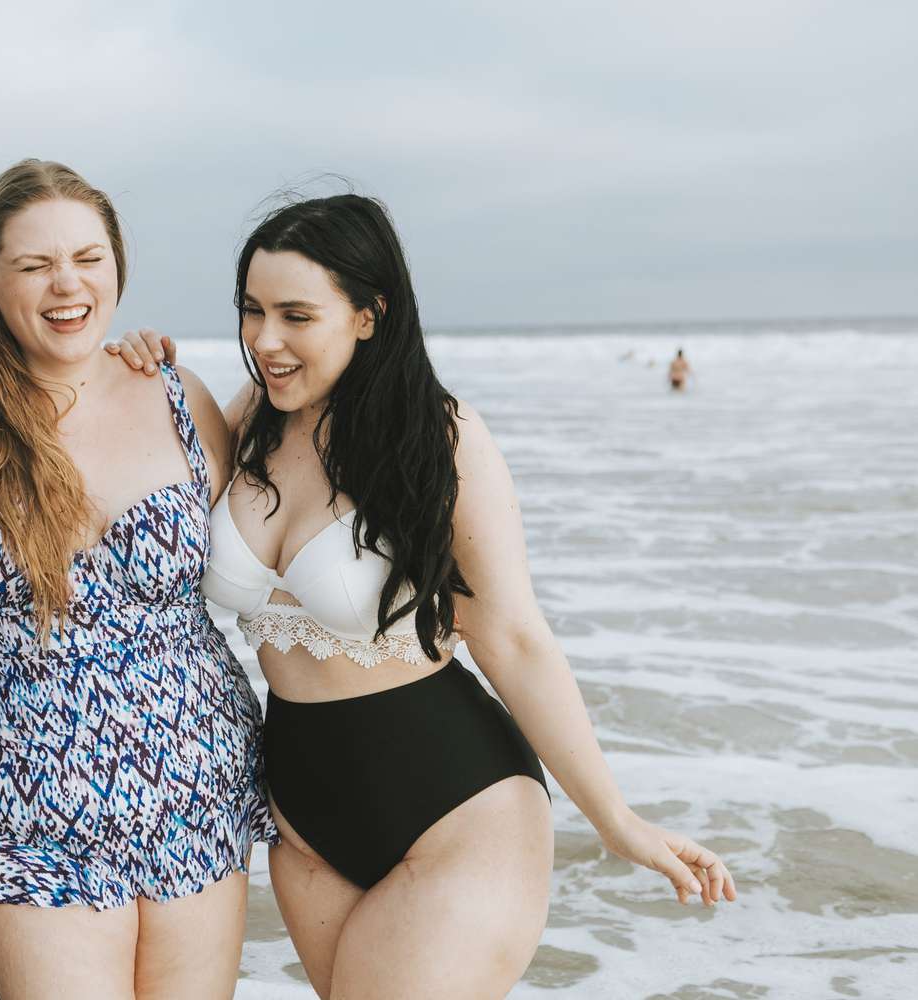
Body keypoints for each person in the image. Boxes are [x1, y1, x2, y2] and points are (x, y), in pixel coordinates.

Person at [107, 194, 736, 999]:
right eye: (252, 310)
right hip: (303, 816)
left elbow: (512, 638)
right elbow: (132, 508)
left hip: (456, 808)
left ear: (370, 315)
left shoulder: (440, 437)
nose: (266, 340)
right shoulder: (252, 417)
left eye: (297, 315)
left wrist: (616, 820)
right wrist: (126, 370)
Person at [0, 160, 275, 999]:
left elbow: (297, 509)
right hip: (12, 795)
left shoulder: (177, 392)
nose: (68, 285)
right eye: (34, 265)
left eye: (89, 259)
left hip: (192, 778)